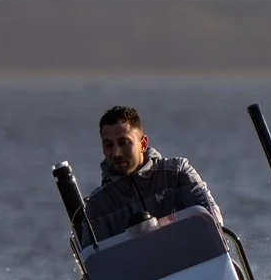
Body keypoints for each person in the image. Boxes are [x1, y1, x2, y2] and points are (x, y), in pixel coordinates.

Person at [79, 105, 221, 244]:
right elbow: (96, 261)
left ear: (143, 144)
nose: (117, 153)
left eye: (124, 143)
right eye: (109, 145)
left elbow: (213, 221)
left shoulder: (178, 172)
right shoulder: (96, 205)